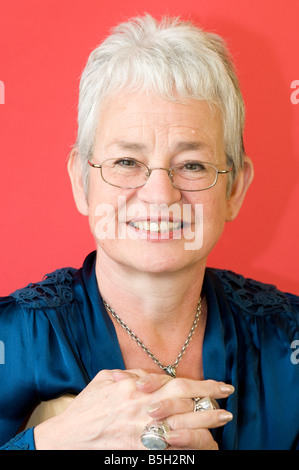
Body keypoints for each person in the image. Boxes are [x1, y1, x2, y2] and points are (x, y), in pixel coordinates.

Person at [0, 14, 298, 451]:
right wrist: (47, 442)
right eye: (126, 162)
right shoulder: (11, 339)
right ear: (81, 180)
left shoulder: (288, 340)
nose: (160, 195)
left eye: (192, 166)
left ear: (235, 187)